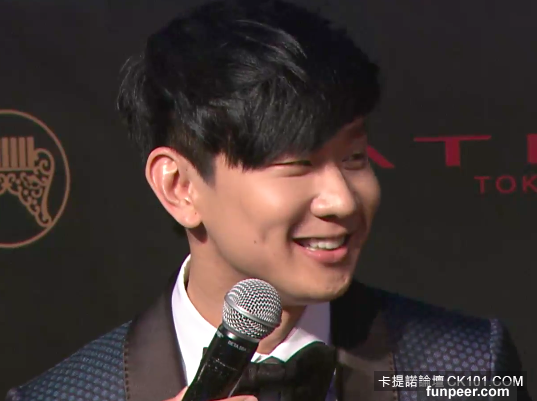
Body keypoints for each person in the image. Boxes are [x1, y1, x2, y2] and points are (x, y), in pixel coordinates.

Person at [6, 1, 531, 401]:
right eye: (297, 164)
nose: (341, 200)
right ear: (180, 186)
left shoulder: (467, 366)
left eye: (354, 157)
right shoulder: (62, 396)